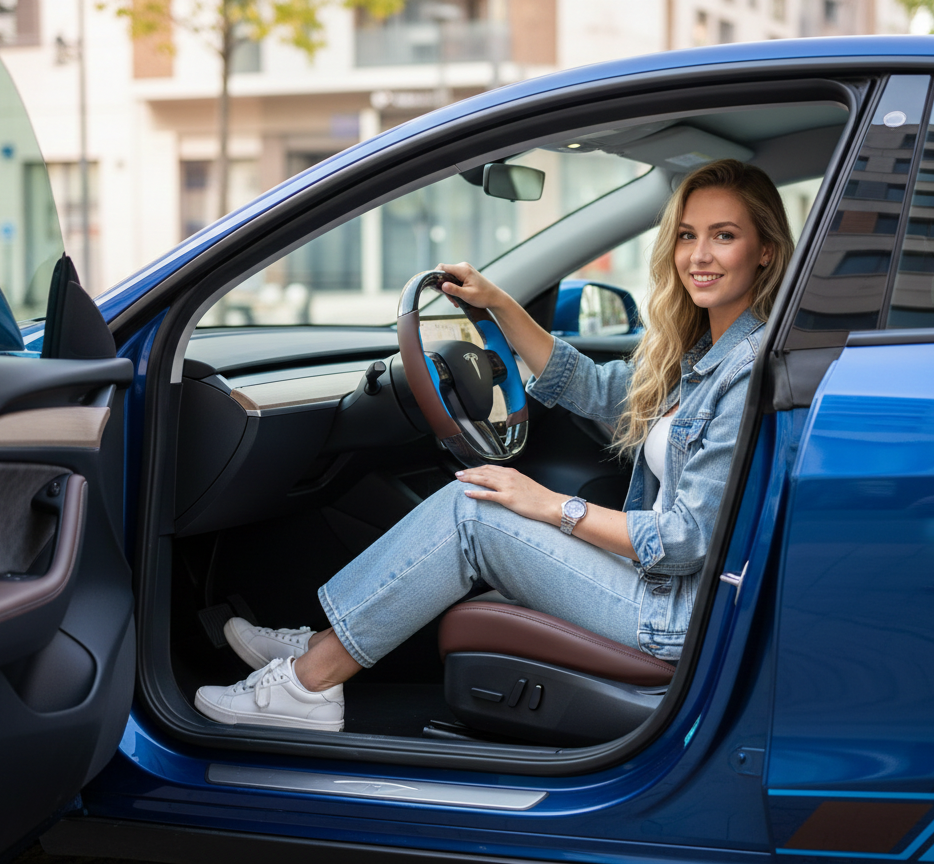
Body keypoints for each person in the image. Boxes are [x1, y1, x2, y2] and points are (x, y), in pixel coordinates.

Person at [194, 159, 794, 731]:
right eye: (687, 235)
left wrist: (552, 506)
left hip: (675, 613)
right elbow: (590, 387)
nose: (699, 255)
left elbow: (686, 540)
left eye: (724, 235)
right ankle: (321, 647)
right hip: (663, 587)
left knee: (473, 511)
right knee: (481, 500)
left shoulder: (745, 370)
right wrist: (499, 304)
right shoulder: (703, 359)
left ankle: (309, 685)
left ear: (765, 250)